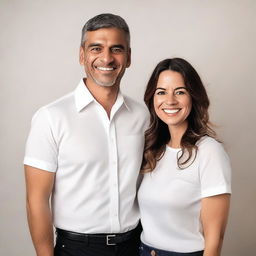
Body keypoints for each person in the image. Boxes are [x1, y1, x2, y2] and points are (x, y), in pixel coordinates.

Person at [24, 13, 148, 256]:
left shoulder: (142, 116)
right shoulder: (51, 117)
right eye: (96, 48)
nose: (106, 58)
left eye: (117, 49)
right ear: (82, 55)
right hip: (76, 249)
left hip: (135, 246)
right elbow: (36, 200)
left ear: (129, 57)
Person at [138, 58, 231, 256]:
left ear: (194, 97)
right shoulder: (151, 150)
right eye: (161, 92)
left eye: (180, 91)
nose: (170, 100)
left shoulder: (209, 152)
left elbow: (215, 239)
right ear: (152, 98)